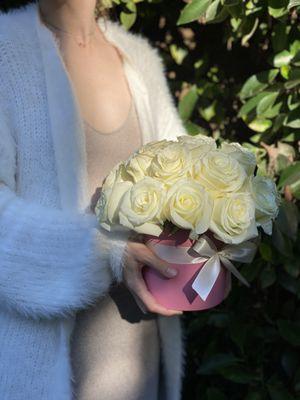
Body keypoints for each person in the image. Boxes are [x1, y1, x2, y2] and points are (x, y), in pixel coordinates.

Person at [0, 1, 188, 399]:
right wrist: (107, 250)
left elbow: (187, 180)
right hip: (43, 372)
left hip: (141, 357)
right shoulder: (4, 52)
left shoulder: (139, 61)